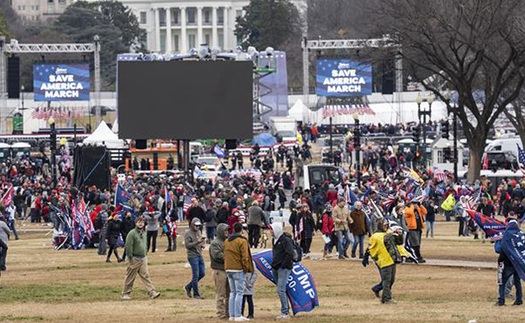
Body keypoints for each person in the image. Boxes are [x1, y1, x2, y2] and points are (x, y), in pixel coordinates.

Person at [121, 216, 161, 300]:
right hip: (134, 258)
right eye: (139, 222)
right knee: (130, 276)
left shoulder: (144, 233)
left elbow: (145, 244)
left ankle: (152, 292)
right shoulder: (132, 233)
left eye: (142, 222)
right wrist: (130, 257)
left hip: (143, 258)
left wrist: (145, 252)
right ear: (136, 223)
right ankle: (126, 293)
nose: (140, 224)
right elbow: (128, 246)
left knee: (146, 275)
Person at [368, 220, 404, 304]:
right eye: (384, 225)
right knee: (386, 280)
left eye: (387, 225)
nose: (386, 226)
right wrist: (392, 233)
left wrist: (400, 235)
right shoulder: (376, 236)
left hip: (391, 259)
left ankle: (380, 291)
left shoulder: (388, 234)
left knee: (391, 280)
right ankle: (386, 298)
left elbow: (399, 242)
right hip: (383, 260)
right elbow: (384, 239)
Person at [224, 222, 254, 322]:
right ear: (241, 230)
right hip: (238, 269)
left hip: (228, 268)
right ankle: (238, 315)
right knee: (239, 293)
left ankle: (231, 315)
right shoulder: (242, 241)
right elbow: (245, 256)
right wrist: (246, 268)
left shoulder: (227, 241)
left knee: (232, 292)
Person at [495, 214, 523, 306]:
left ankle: (501, 300)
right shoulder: (520, 236)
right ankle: (519, 299)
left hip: (507, 263)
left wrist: (500, 261)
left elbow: (502, 250)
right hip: (518, 263)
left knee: (502, 282)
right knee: (517, 282)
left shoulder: (506, 236)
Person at [269, 222, 294, 320]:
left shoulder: (285, 240)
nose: (270, 231)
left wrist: (283, 264)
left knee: (280, 289)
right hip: (276, 267)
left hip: (283, 268)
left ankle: (285, 312)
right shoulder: (274, 240)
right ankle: (285, 308)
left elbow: (289, 253)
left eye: (271, 229)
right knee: (281, 289)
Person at [209, 223, 230, 320]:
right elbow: (217, 255)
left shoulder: (227, 241)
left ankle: (228, 312)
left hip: (227, 270)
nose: (227, 232)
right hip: (219, 271)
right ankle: (221, 313)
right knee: (221, 293)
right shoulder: (215, 243)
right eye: (225, 230)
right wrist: (230, 256)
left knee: (229, 293)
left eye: (227, 230)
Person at [184, 218, 206, 299]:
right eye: (196, 226)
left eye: (199, 226)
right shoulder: (188, 233)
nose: (198, 227)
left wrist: (202, 244)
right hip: (192, 256)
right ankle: (196, 294)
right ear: (192, 225)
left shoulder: (199, 232)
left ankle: (188, 287)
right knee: (196, 275)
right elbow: (187, 245)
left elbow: (200, 242)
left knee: (202, 273)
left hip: (199, 254)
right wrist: (198, 242)